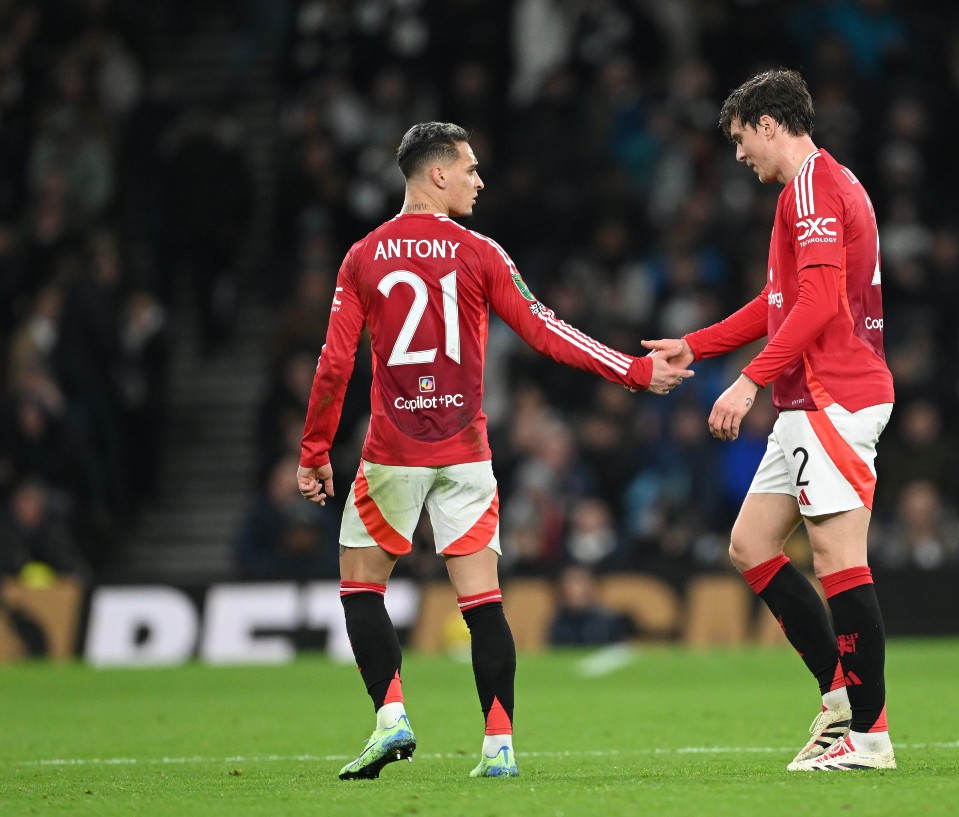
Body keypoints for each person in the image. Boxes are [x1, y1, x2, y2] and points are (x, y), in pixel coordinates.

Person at [296, 121, 692, 781]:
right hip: (466, 451)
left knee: (362, 586)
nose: (481, 181)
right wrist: (634, 370)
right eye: (471, 169)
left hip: (393, 450)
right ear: (437, 173)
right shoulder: (481, 253)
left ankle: (391, 716)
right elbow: (544, 329)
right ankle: (499, 745)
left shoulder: (363, 256)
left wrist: (314, 450)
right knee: (482, 603)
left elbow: (334, 362)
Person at [644, 68, 897, 771]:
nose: (737, 155)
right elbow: (780, 302)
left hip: (833, 395)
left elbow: (816, 305)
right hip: (807, 398)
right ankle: (840, 698)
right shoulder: (813, 191)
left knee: (838, 559)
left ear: (768, 124)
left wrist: (747, 380)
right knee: (751, 544)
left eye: (739, 139)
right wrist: (698, 344)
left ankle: (869, 736)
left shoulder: (815, 185)